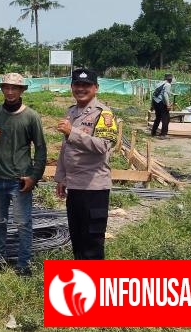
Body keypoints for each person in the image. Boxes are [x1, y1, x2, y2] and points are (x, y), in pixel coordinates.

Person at [0, 73, 46, 276]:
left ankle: (24, 264)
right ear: (2, 89)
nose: (9, 91)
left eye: (14, 88)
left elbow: (41, 149)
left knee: (23, 224)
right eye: (6, 87)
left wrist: (34, 177)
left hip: (20, 180)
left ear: (22, 90)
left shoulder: (31, 117)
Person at [55, 69, 118, 260]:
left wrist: (72, 132)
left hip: (94, 188)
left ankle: (94, 286)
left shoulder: (103, 114)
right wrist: (61, 177)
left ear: (96, 88)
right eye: (77, 85)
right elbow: (66, 149)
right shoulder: (72, 112)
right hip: (75, 186)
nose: (81, 89)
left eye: (86, 85)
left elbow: (103, 146)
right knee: (78, 239)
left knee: (92, 242)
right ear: (72, 87)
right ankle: (81, 286)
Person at [150, 73, 174, 138]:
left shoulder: (159, 83)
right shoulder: (168, 85)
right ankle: (163, 134)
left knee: (158, 117)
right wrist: (168, 105)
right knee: (166, 118)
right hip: (161, 102)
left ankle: (153, 132)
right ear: (171, 79)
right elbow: (165, 95)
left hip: (155, 102)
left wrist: (152, 105)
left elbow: (154, 94)